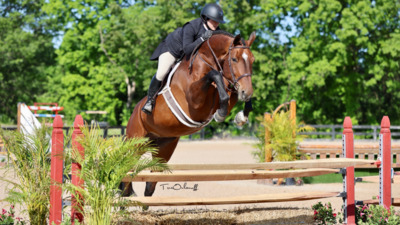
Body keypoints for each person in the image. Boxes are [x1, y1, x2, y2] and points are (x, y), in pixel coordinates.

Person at [142, 3, 226, 114]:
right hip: (173, 50)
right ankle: (150, 101)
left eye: (218, 21)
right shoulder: (191, 27)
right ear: (205, 18)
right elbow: (187, 50)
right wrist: (202, 38)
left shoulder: (215, 30)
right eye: (214, 21)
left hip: (189, 55)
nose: (217, 24)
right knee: (162, 72)